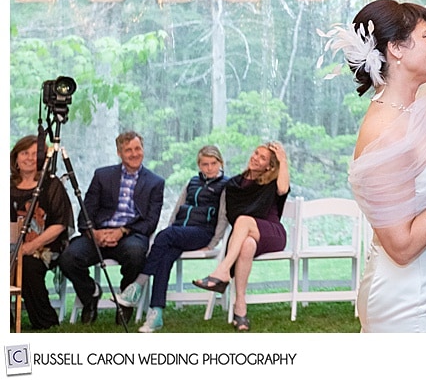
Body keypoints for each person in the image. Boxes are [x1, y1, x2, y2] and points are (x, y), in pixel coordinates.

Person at [322, 0, 426, 332]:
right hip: (410, 297)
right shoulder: (383, 130)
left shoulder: (418, 108)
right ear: (397, 48)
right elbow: (401, 246)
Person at [118, 145, 229, 332]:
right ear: (199, 165)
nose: (209, 168)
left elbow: (224, 217)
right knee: (165, 257)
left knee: (165, 236)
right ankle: (156, 313)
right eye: (204, 164)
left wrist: (212, 244)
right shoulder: (192, 182)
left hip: (202, 233)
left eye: (213, 163)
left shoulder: (226, 185)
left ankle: (138, 285)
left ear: (220, 163)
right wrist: (169, 232)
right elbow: (178, 208)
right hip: (179, 232)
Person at [58, 131, 165, 325]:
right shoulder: (103, 175)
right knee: (68, 257)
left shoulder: (155, 182)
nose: (134, 154)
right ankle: (90, 294)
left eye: (137, 148)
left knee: (135, 254)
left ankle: (125, 301)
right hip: (99, 233)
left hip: (131, 234)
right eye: (128, 150)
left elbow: (150, 222)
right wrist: (93, 233)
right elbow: (86, 210)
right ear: (119, 153)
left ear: (143, 150)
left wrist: (123, 230)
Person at [193, 141, 289, 332]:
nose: (255, 158)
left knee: (244, 220)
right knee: (246, 244)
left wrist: (283, 159)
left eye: (262, 158)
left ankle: (222, 272)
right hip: (246, 235)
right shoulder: (234, 183)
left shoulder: (272, 183)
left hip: (271, 233)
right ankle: (240, 308)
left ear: (269, 166)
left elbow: (283, 189)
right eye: (256, 153)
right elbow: (231, 214)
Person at [10, 135, 73, 330]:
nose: (29, 158)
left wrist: (29, 247)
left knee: (27, 265)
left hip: (45, 247)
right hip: (11, 244)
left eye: (34, 154)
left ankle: (45, 319)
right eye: (24, 153)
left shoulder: (51, 185)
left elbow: (60, 224)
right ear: (16, 158)